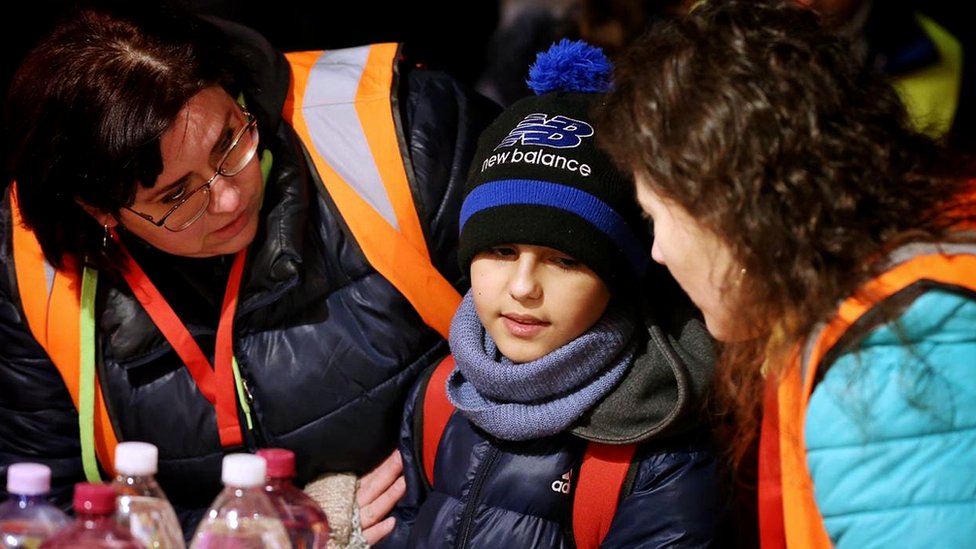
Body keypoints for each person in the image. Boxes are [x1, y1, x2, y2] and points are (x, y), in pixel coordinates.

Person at [0, 1, 499, 544]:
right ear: (100, 212)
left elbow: (564, 368)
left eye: (229, 142)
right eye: (177, 196)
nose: (231, 196)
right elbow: (43, 512)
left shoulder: (399, 130)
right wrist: (270, 529)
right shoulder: (33, 265)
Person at [596, 0, 976, 547]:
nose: (656, 252)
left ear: (727, 210)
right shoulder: (877, 309)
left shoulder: (893, 369)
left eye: (655, 217)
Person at [377, 40, 724, 548]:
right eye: (499, 250)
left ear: (618, 277)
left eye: (566, 260)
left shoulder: (661, 448)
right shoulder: (439, 394)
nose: (523, 287)